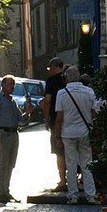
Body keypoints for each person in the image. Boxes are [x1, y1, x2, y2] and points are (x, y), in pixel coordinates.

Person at [53, 71, 99, 205]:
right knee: (87, 164)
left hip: (68, 133)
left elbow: (59, 118)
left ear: (66, 78)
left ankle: (73, 195)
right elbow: (94, 112)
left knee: (71, 164)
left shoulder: (62, 93)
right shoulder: (88, 92)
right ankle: (91, 194)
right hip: (84, 131)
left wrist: (57, 136)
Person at [0, 74, 24, 206]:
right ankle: (0, 192)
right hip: (4, 133)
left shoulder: (12, 101)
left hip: (14, 133)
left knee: (11, 164)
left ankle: (6, 191)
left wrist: (28, 112)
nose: (12, 87)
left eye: (13, 85)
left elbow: (21, 119)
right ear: (2, 85)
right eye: (10, 84)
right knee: (3, 164)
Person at [42, 58, 70, 194]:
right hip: (71, 119)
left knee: (59, 152)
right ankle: (76, 180)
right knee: (73, 150)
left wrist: (46, 118)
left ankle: (63, 181)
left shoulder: (51, 81)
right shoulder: (68, 79)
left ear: (53, 67)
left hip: (56, 120)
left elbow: (48, 101)